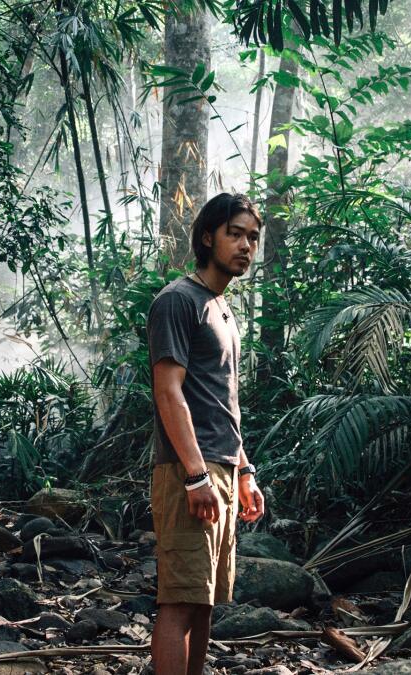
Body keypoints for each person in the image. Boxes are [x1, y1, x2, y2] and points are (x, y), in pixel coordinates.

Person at [147, 193, 267, 675]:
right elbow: (169, 392)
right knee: (179, 601)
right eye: (235, 234)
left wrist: (244, 471)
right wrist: (195, 476)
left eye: (253, 238)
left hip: (220, 467)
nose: (245, 246)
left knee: (204, 601)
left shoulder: (221, 308)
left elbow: (223, 402)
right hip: (187, 470)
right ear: (207, 237)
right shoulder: (179, 300)